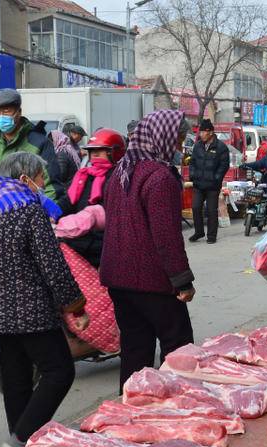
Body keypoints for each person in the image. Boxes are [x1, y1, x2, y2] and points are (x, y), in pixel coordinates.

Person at [0, 152, 88, 447]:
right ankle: (23, 436)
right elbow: (52, 265)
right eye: (40, 176)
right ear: (25, 177)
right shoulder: (28, 209)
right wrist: (75, 307)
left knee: (16, 378)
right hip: (32, 312)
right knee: (59, 371)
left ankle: (21, 441)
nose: (43, 183)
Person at [100, 110, 196, 390]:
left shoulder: (121, 170)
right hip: (150, 281)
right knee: (178, 348)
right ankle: (180, 407)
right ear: (162, 137)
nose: (179, 148)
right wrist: (182, 280)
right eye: (178, 140)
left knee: (135, 349)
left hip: (118, 278)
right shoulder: (160, 177)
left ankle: (128, 411)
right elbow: (167, 237)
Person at [0, 88, 59, 197]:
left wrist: (45, 213)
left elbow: (51, 188)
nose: (1, 117)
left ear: (19, 112)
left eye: (6, 111)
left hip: (28, 211)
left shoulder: (39, 143)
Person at [56, 128, 125, 267]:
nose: (95, 154)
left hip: (105, 246)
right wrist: (52, 212)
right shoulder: (84, 175)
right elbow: (69, 201)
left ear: (115, 152)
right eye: (92, 151)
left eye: (100, 150)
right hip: (79, 242)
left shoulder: (120, 178)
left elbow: (115, 212)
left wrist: (89, 217)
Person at [188, 118, 230, 244]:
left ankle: (211, 236)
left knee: (211, 211)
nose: (200, 134)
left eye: (202, 132)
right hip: (198, 184)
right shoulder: (198, 146)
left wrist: (216, 178)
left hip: (212, 186)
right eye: (200, 132)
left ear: (210, 132)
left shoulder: (221, 147)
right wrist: (193, 175)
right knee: (195, 208)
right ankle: (199, 232)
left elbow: (224, 166)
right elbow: (192, 162)